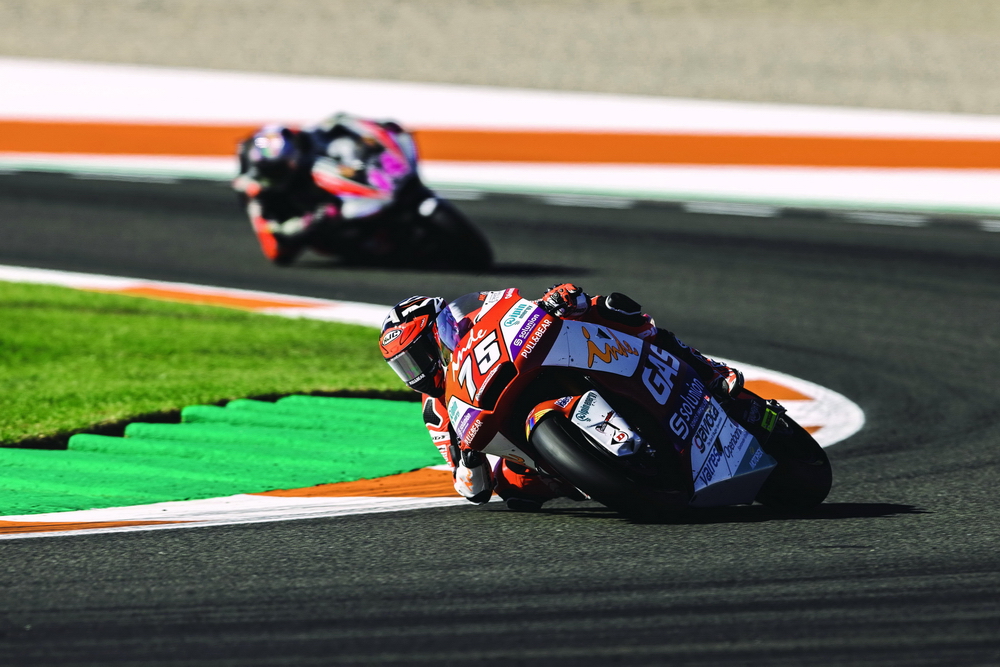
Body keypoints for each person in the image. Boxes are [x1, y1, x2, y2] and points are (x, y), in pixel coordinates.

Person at [379, 284, 745, 511]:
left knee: (610, 307)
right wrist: (468, 459)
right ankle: (589, 473)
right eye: (404, 366)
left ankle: (708, 369)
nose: (417, 372)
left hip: (531, 365)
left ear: (439, 333)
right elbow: (473, 490)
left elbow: (517, 309)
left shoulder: (477, 313)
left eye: (418, 357)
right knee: (515, 492)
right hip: (526, 450)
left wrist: (557, 299)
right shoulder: (436, 412)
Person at [233, 113, 488, 267]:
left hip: (367, 188)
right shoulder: (258, 192)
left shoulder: (315, 135)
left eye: (291, 158)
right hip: (332, 225)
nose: (291, 166)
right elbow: (275, 249)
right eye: (280, 168)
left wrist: (376, 134)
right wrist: (310, 222)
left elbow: (348, 122)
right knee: (374, 249)